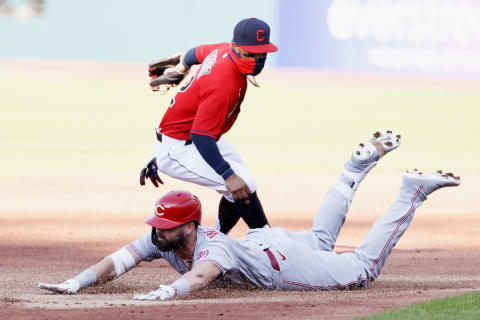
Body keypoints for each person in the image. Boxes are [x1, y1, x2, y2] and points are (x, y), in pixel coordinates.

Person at [38, 131, 460, 300]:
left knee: (363, 268)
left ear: (189, 226)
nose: (156, 232)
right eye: (157, 224)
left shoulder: (213, 247)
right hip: (265, 244)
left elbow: (200, 277)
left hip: (284, 262)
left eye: (165, 226)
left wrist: (166, 292)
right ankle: (352, 171)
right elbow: (121, 259)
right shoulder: (165, 237)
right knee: (320, 238)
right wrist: (77, 282)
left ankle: (411, 192)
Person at [139, 17, 278, 235]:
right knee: (242, 183)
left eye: (263, 54)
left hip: (186, 137)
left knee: (241, 185)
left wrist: (182, 68)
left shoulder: (224, 51)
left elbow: (195, 52)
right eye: (251, 53)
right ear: (236, 47)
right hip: (182, 146)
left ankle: (217, 238)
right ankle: (272, 242)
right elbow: (200, 136)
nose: (258, 59)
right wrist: (227, 174)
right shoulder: (225, 82)